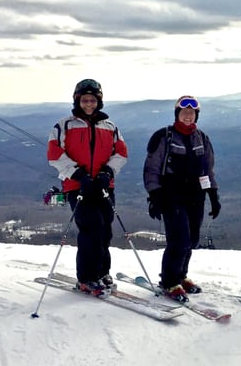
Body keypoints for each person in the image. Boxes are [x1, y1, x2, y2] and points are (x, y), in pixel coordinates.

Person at [47, 78, 128, 295]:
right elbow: (54, 154)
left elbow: (120, 153)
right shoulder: (65, 125)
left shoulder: (109, 126)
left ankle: (102, 272)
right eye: (85, 100)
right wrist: (78, 174)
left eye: (92, 100)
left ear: (99, 101)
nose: (89, 104)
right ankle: (86, 276)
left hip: (103, 185)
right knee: (91, 228)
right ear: (78, 101)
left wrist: (107, 172)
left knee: (105, 229)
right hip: (78, 186)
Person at [143, 95, 221, 303]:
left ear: (196, 115)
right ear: (177, 114)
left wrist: (213, 195)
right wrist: (155, 196)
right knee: (179, 240)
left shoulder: (201, 138)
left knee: (192, 240)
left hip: (196, 197)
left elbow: (208, 170)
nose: (188, 116)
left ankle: (181, 276)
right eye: (184, 112)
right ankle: (169, 281)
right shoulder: (164, 137)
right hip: (171, 196)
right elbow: (151, 169)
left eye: (192, 112)